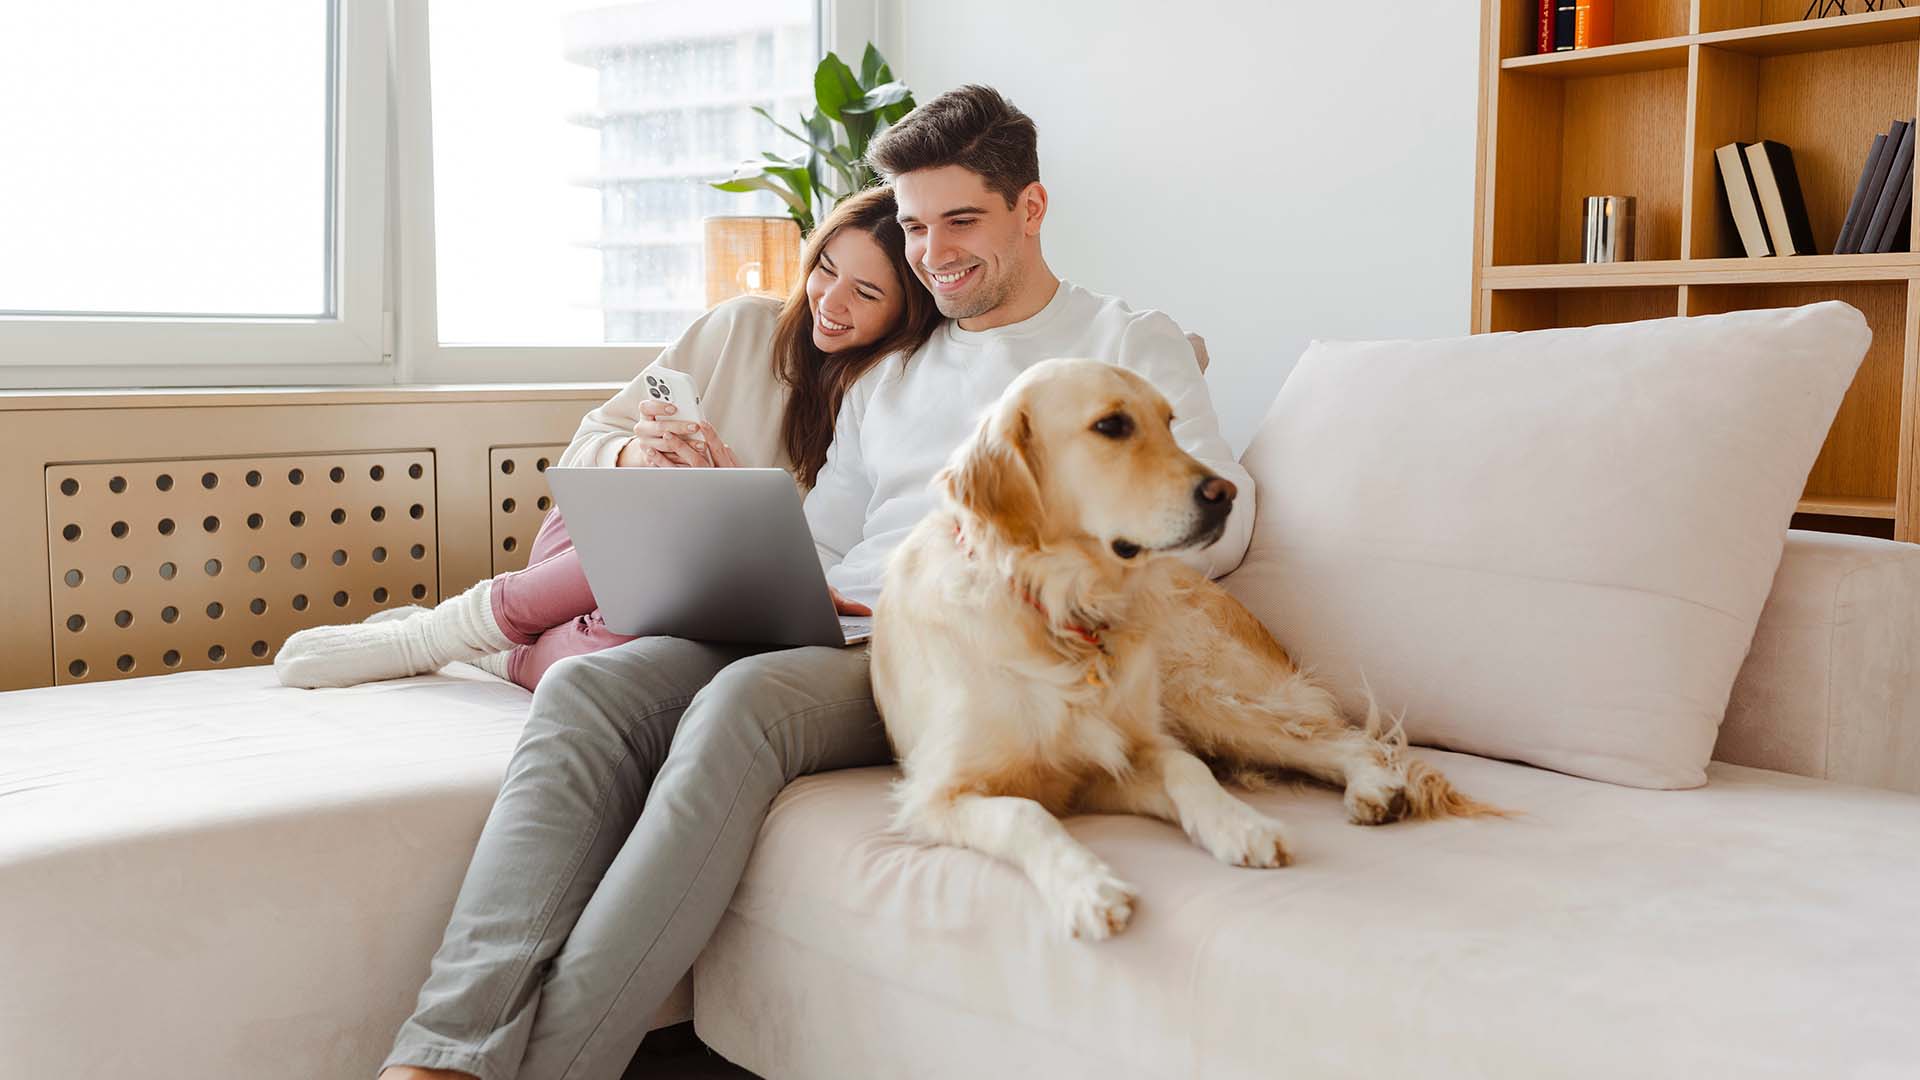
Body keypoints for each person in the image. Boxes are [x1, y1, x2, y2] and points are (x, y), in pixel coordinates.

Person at [375, 84, 1252, 1080]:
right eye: (916, 226)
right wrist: (739, 538)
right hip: (835, 618)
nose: (934, 251)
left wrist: (1050, 560)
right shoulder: (898, 372)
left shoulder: (1126, 345)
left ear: (1030, 209)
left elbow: (1221, 522)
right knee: (589, 686)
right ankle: (441, 1055)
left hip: (971, 648)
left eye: (961, 219)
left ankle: (556, 1067)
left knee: (746, 703)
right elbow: (826, 538)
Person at [273, 185, 937, 693]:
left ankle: (501, 650)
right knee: (667, 521)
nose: (830, 300)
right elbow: (588, 446)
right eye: (825, 267)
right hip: (588, 544)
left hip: (681, 601)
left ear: (906, 309)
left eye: (866, 291)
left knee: (627, 668)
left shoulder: (885, 397)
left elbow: (801, 566)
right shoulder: (740, 327)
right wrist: (638, 455)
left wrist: (728, 496)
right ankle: (433, 635)